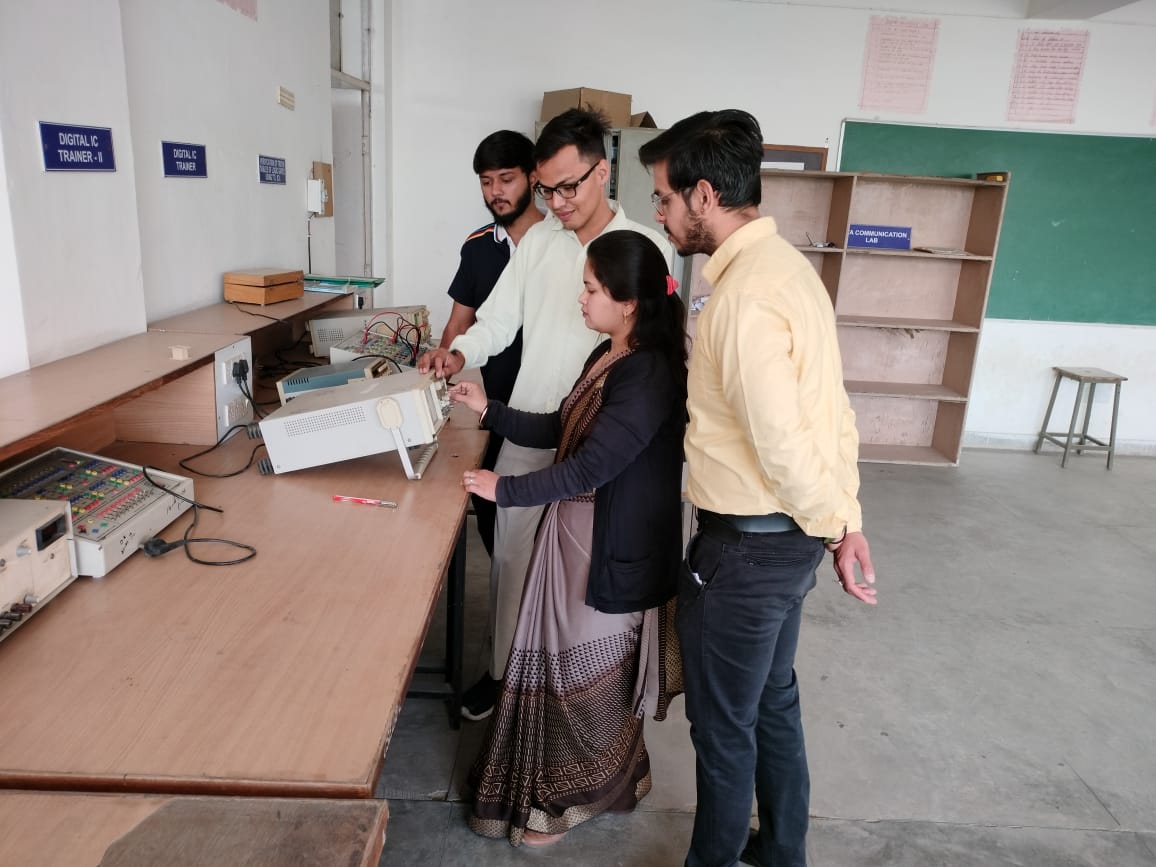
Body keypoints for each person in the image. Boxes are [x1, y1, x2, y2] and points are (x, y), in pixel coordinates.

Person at [638, 110, 879, 867]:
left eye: (665, 198)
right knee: (772, 703)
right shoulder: (790, 272)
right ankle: (781, 852)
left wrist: (836, 522)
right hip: (789, 544)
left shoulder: (742, 299)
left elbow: (782, 443)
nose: (661, 213)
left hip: (745, 552)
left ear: (705, 196)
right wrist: (843, 521)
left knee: (723, 730)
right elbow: (833, 414)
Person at [419, 109, 671, 721]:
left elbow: (656, 351)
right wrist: (460, 352)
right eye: (547, 190)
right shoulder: (538, 244)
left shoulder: (646, 247)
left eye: (568, 187)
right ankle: (503, 677)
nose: (556, 203)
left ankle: (572, 697)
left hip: (605, 442)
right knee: (510, 564)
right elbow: (498, 321)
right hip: (534, 427)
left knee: (581, 578)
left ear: (602, 172)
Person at [448, 229, 687, 847]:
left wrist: (504, 489)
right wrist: (489, 409)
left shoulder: (647, 373)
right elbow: (564, 424)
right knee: (564, 675)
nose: (581, 299)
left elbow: (591, 467)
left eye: (590, 289)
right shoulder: (608, 353)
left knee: (586, 683)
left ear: (627, 303)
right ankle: (597, 786)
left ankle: (569, 801)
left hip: (611, 547)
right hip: (581, 538)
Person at [438, 131, 544, 557]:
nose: (496, 192)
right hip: (495, 404)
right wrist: (440, 377)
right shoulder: (478, 248)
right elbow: (458, 324)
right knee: (488, 507)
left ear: (533, 177)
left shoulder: (560, 243)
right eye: (486, 182)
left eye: (506, 179)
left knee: (542, 518)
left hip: (548, 406)